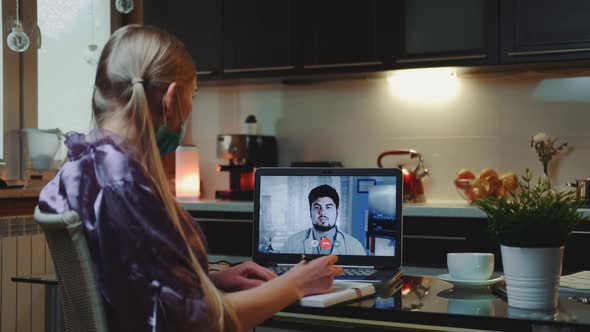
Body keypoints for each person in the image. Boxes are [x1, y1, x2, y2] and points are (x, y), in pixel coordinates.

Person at [38, 25, 342, 332]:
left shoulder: (82, 167)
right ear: (171, 99)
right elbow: (203, 324)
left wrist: (209, 281)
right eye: (192, 95)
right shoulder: (126, 185)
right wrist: (296, 284)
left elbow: (130, 286)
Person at [281, 184, 367, 255]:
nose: (322, 212)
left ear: (337, 212)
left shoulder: (355, 246)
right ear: (310, 211)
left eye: (328, 207)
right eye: (317, 207)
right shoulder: (292, 243)